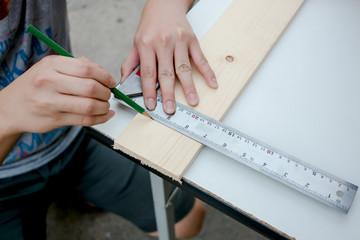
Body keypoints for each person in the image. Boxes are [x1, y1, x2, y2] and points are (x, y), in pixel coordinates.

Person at [0, 0, 217, 239]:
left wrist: (165, 6)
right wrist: (5, 116)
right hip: (5, 178)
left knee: (185, 220)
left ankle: (75, 190)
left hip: (75, 133)